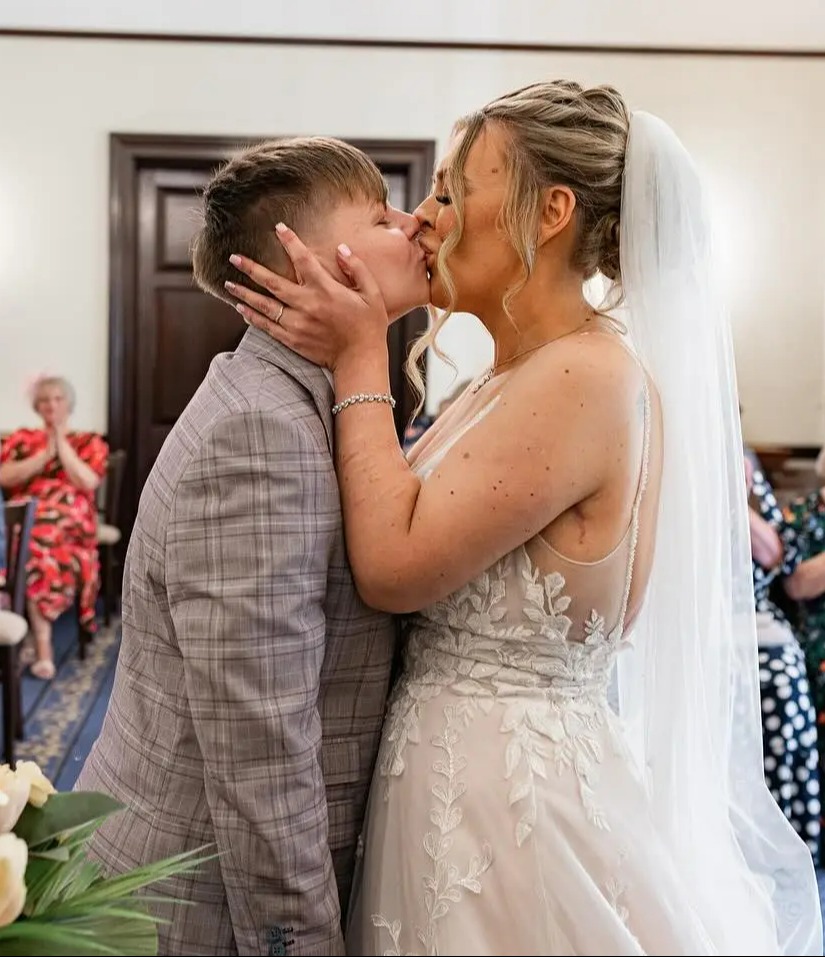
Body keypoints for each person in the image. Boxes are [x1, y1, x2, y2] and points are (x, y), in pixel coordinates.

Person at [228, 82, 821, 954]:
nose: (422, 219)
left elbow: (392, 567)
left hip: (510, 808)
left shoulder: (586, 378)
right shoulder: (509, 377)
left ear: (547, 211)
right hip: (457, 782)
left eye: (450, 190)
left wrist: (359, 351)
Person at [75, 137, 429, 956]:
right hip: (197, 904)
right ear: (298, 262)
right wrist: (297, 943)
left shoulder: (308, 398)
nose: (414, 225)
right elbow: (258, 747)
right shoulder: (261, 431)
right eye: (380, 215)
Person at [0, 376, 107, 679]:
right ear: (37, 405)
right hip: (29, 514)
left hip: (71, 516)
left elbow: (87, 481)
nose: (51, 405)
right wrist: (43, 455)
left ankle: (40, 644)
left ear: (68, 404)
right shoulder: (23, 440)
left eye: (58, 399)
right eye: (45, 400)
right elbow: (4, 477)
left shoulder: (88, 441)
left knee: (38, 539)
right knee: (31, 537)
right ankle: (31, 634)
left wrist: (60, 444)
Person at [745, 455, 820, 862]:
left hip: (760, 624)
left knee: (782, 677)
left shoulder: (749, 475)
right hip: (702, 626)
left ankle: (786, 848)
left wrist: (737, 491)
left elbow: (778, 556)